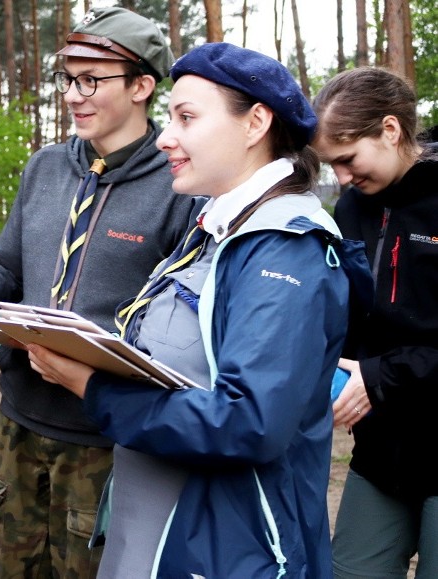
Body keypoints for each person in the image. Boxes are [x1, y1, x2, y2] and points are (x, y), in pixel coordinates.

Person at [24, 42, 374, 577]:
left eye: (187, 117)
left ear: (256, 122)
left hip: (227, 549)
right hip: (163, 529)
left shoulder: (284, 248)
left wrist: (92, 389)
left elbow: (250, 423)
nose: (165, 137)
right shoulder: (214, 229)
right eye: (170, 118)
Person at [0, 7, 198, 577]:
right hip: (18, 424)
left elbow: (175, 328)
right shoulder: (45, 168)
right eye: (68, 77)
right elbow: (7, 274)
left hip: (106, 438)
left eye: (92, 79)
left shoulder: (178, 184)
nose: (73, 94)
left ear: (142, 86)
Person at [312, 67, 438, 578]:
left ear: (390, 130)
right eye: (331, 164)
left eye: (347, 159)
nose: (341, 177)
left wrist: (383, 376)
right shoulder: (352, 208)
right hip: (382, 447)